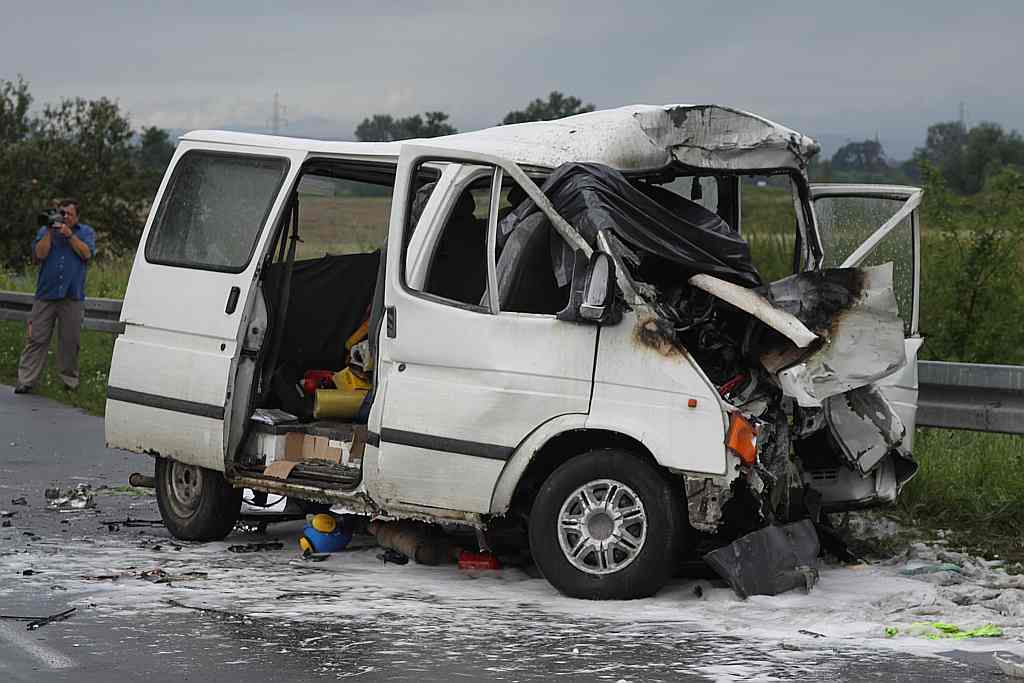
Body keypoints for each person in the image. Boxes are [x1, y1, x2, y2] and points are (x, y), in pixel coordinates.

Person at [14, 199, 96, 394]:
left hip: (72, 295)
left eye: (69, 214)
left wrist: (70, 236)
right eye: (62, 213)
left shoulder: (85, 232)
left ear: (77, 216)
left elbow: (86, 254)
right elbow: (40, 255)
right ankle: (26, 381)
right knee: (36, 339)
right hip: (46, 294)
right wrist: (50, 233)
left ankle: (69, 383)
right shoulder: (46, 231)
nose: (65, 217)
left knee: (70, 341)